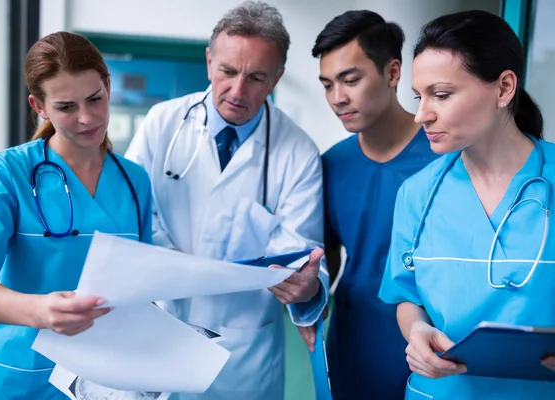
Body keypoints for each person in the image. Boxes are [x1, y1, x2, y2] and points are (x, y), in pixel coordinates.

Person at [125, 2, 328, 399]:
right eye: (228, 71)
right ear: (208, 61)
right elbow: (133, 214)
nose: (237, 91)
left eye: (256, 77)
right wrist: (173, 261)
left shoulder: (298, 152)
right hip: (164, 328)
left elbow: (300, 252)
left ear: (277, 78)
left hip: (245, 355)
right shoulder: (162, 123)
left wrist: (305, 287)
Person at [0, 32, 153, 399]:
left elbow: (141, 280)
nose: (87, 118)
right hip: (22, 378)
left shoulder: (135, 180)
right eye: (66, 107)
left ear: (108, 85)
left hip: (108, 379)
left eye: (95, 98)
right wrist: (39, 310)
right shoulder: (6, 172)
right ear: (39, 106)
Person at [379, 10, 555, 399]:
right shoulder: (417, 193)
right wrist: (417, 331)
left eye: (440, 95)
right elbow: (407, 296)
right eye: (419, 97)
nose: (422, 115)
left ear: (504, 88)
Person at [297, 10, 438, 399]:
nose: (337, 98)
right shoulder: (330, 164)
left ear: (393, 73)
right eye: (327, 85)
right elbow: (324, 259)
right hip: (353, 340)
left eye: (351, 80)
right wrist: (305, 292)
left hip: (431, 340)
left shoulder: (446, 157)